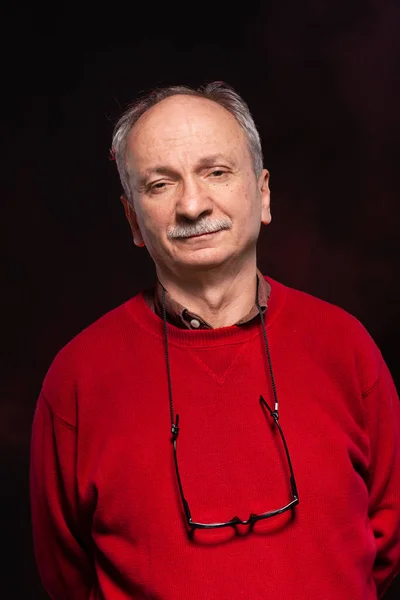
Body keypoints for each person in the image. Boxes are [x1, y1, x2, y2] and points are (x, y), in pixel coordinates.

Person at [30, 82, 400, 600]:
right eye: (160, 185)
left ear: (263, 193)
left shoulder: (346, 346)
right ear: (134, 220)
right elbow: (68, 578)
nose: (193, 204)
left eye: (217, 172)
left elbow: (385, 540)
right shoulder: (76, 379)